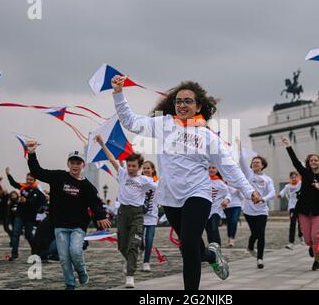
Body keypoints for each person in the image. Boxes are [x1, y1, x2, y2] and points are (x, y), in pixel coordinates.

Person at [110, 75, 260, 290]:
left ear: (198, 106)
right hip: (170, 197)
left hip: (198, 194)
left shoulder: (208, 137)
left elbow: (229, 167)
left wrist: (248, 190)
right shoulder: (164, 124)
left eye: (188, 101)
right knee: (191, 248)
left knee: (189, 244)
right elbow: (130, 122)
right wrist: (118, 93)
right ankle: (211, 255)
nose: (182, 105)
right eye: (178, 101)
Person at [25, 141, 111, 290]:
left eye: (78, 163)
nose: (75, 165)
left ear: (83, 165)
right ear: (68, 163)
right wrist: (32, 153)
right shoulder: (58, 177)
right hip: (60, 225)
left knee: (76, 252)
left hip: (78, 226)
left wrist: (101, 216)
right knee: (64, 258)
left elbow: (95, 203)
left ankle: (82, 271)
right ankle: (70, 284)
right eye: (72, 162)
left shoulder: (87, 186)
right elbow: (37, 172)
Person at [94, 134, 157, 288]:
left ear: (140, 167)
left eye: (133, 166)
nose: (130, 169)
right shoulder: (122, 174)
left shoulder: (145, 181)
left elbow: (162, 187)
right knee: (122, 246)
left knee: (133, 245)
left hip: (137, 215)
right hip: (122, 214)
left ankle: (130, 275)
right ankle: (131, 259)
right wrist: (102, 144)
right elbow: (111, 159)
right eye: (129, 166)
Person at [281, 136, 319, 271]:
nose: (313, 162)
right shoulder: (305, 173)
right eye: (311, 160)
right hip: (304, 210)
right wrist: (288, 146)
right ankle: (311, 246)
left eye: (316, 160)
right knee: (308, 239)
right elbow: (295, 162)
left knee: (317, 237)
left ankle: (316, 261)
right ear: (308, 163)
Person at [236, 139, 275, 269]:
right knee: (255, 233)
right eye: (253, 163)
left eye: (258, 162)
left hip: (262, 210)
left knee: (261, 233)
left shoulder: (267, 179)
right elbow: (242, 161)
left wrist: (263, 199)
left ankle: (260, 259)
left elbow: (272, 192)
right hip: (248, 210)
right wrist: (240, 149)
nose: (255, 164)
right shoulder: (248, 174)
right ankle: (250, 245)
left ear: (263, 165)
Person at [6, 167, 47, 260]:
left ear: (34, 180)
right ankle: (14, 254)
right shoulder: (23, 187)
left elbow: (37, 202)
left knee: (29, 235)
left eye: (31, 179)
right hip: (19, 215)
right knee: (16, 234)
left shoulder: (37, 191)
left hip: (30, 217)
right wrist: (8, 175)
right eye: (27, 179)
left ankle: (36, 251)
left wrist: (26, 201)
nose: (28, 181)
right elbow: (14, 183)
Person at [141, 160, 160, 272]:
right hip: (140, 215)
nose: (146, 170)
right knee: (139, 240)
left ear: (153, 170)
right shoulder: (139, 181)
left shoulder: (157, 182)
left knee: (149, 239)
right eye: (144, 168)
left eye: (148, 168)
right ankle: (140, 248)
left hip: (152, 215)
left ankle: (146, 262)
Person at [206, 166, 230, 247]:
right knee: (209, 231)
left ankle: (217, 250)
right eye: (209, 168)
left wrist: (226, 200)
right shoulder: (203, 181)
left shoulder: (221, 182)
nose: (211, 169)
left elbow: (228, 193)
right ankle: (212, 249)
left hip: (216, 210)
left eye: (213, 168)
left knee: (214, 229)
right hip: (204, 210)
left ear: (217, 170)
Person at [278, 171, 303, 249]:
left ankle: (301, 236)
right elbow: (282, 192)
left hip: (300, 206)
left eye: (295, 177)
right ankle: (291, 242)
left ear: (298, 177)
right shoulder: (288, 186)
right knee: (292, 223)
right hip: (292, 207)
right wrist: (280, 195)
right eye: (292, 177)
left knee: (301, 223)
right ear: (290, 178)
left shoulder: (300, 184)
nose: (294, 178)